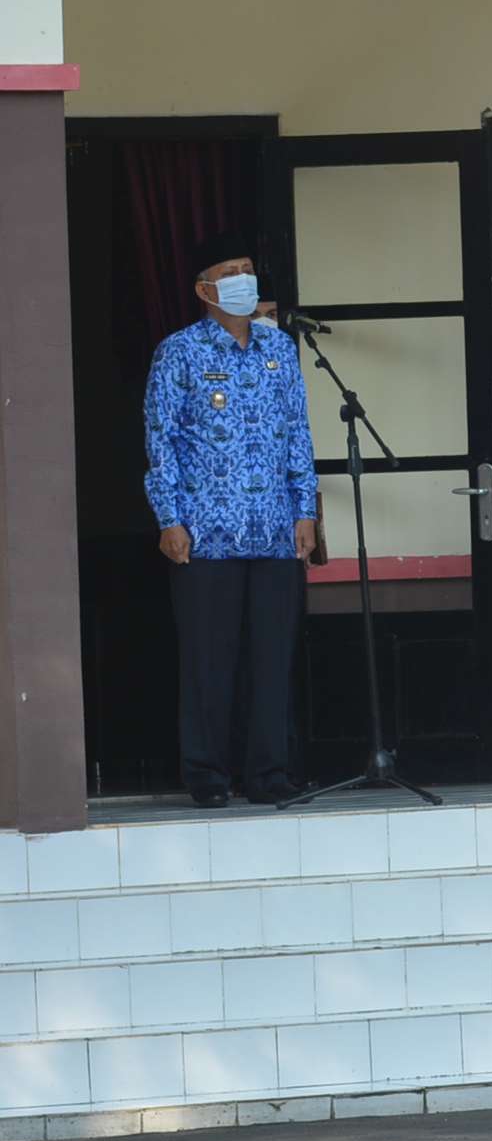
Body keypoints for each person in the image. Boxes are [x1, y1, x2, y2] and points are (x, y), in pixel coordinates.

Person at [145, 234, 322, 808]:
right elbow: (162, 440)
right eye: (231, 271)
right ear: (205, 289)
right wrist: (169, 517)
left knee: (272, 657)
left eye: (249, 269)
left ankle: (268, 772)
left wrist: (307, 510)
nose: (245, 279)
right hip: (205, 533)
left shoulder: (280, 352)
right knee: (208, 659)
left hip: (274, 529)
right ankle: (207, 772)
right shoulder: (180, 352)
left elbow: (298, 433)